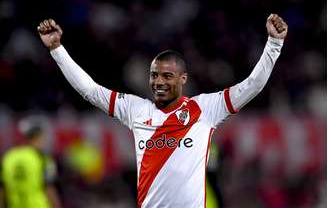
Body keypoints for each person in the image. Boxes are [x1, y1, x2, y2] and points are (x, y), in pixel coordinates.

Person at [37, 14, 288, 208]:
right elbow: (90, 90)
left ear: (183, 79)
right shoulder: (135, 109)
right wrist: (57, 49)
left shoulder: (205, 108)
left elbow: (252, 85)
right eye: (154, 75)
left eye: (167, 76)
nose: (159, 81)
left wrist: (274, 44)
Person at [0, 117, 62, 208]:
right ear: (39, 136)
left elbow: (2, 190)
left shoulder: (8, 157)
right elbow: (49, 189)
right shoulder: (43, 158)